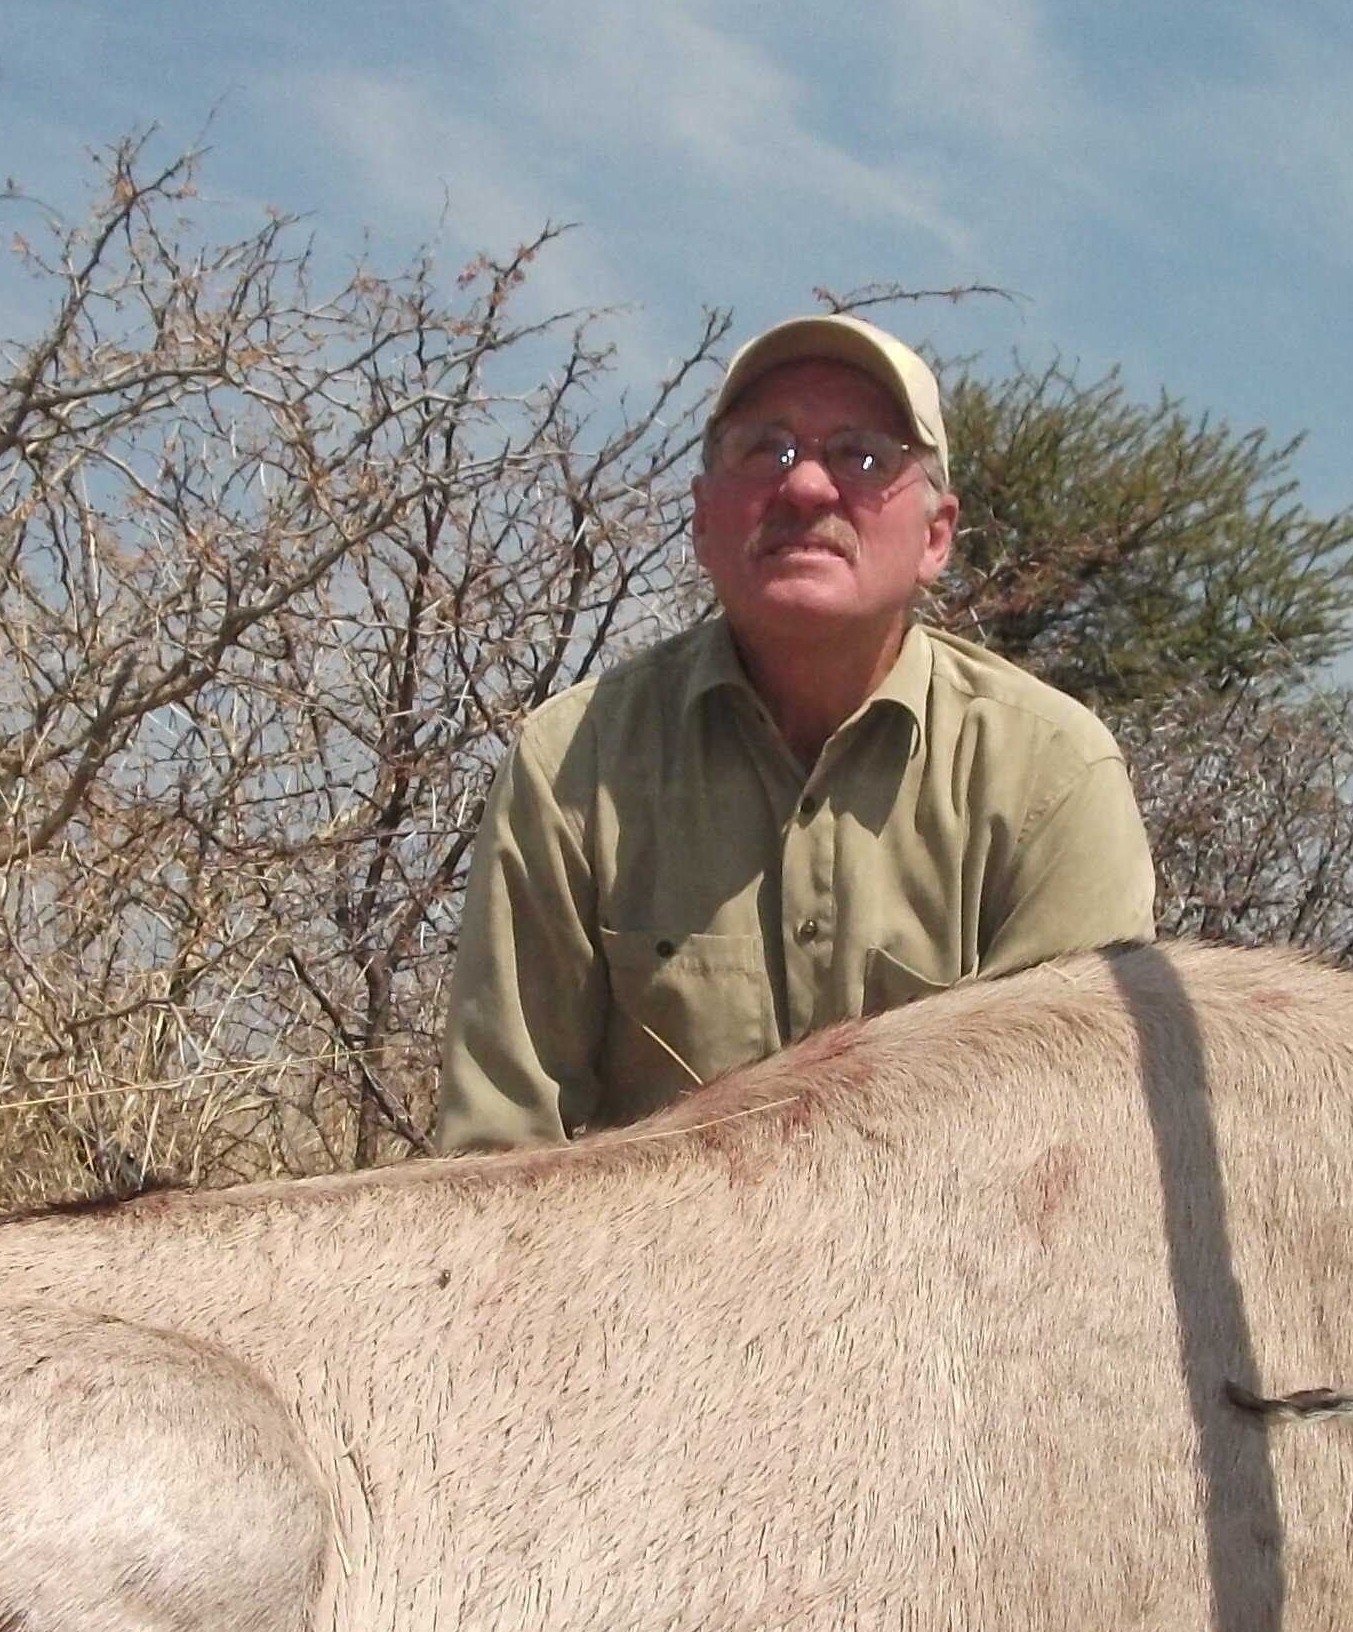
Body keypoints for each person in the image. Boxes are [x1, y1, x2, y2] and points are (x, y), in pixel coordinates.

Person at [435, 312, 1155, 1152]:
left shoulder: (1053, 772)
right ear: (704, 520)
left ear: (936, 536)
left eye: (862, 456)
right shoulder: (572, 762)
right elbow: (501, 1151)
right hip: (663, 1274)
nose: (807, 488)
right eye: (765, 451)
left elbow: (1072, 1149)